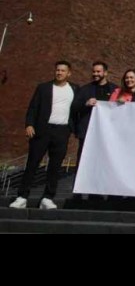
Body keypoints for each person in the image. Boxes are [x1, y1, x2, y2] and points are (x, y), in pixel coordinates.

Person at [9, 60, 79, 210]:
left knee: (55, 166)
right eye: (57, 70)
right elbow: (33, 107)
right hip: (42, 130)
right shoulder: (44, 88)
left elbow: (78, 109)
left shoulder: (74, 89)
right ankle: (22, 197)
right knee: (32, 164)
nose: (59, 73)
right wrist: (29, 124)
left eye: (63, 70)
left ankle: (48, 197)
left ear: (69, 73)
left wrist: (72, 129)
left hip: (62, 131)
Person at [72, 60, 118, 165]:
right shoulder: (85, 89)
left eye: (98, 72)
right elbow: (74, 107)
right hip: (88, 130)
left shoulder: (115, 90)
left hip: (107, 132)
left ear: (105, 73)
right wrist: (86, 103)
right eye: (94, 71)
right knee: (84, 160)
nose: (95, 74)